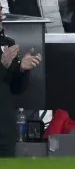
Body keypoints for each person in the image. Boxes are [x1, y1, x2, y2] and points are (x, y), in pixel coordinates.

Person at [0, 20, 42, 157]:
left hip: (5, 131)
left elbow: (16, 89)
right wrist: (2, 65)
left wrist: (22, 70)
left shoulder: (7, 43)